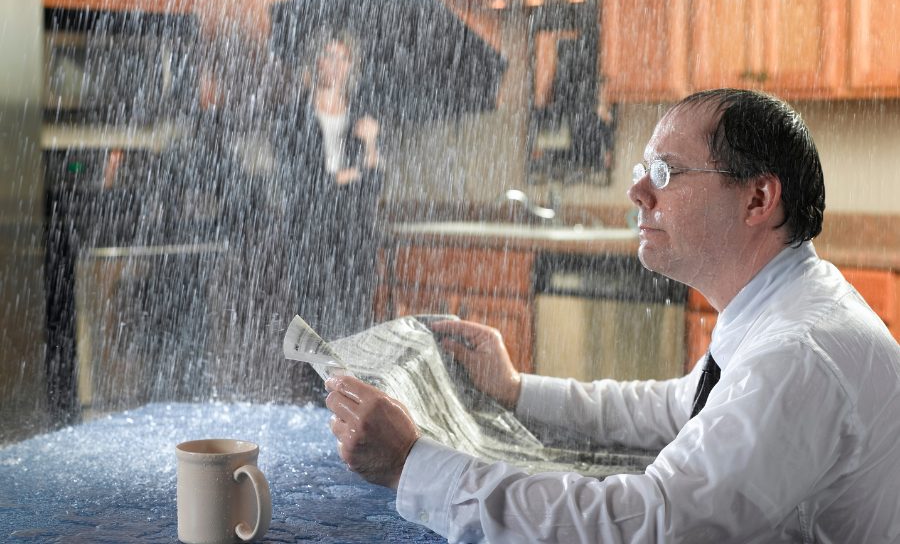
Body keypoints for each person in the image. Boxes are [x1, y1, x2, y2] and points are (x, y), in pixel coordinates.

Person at [324, 89, 900, 542]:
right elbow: (677, 409)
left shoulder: (798, 355)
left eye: (667, 173)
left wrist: (411, 465)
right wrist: (517, 390)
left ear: (757, 199)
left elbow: (647, 526)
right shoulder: (782, 304)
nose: (638, 192)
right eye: (643, 168)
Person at [274, 30, 383, 340]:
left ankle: (345, 387)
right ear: (315, 62)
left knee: (353, 325)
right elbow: (298, 182)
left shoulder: (361, 118)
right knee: (315, 326)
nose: (336, 64)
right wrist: (346, 177)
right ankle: (318, 388)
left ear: (351, 66)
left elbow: (374, 184)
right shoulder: (293, 117)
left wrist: (372, 143)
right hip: (310, 236)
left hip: (354, 235)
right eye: (329, 55)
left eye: (343, 58)